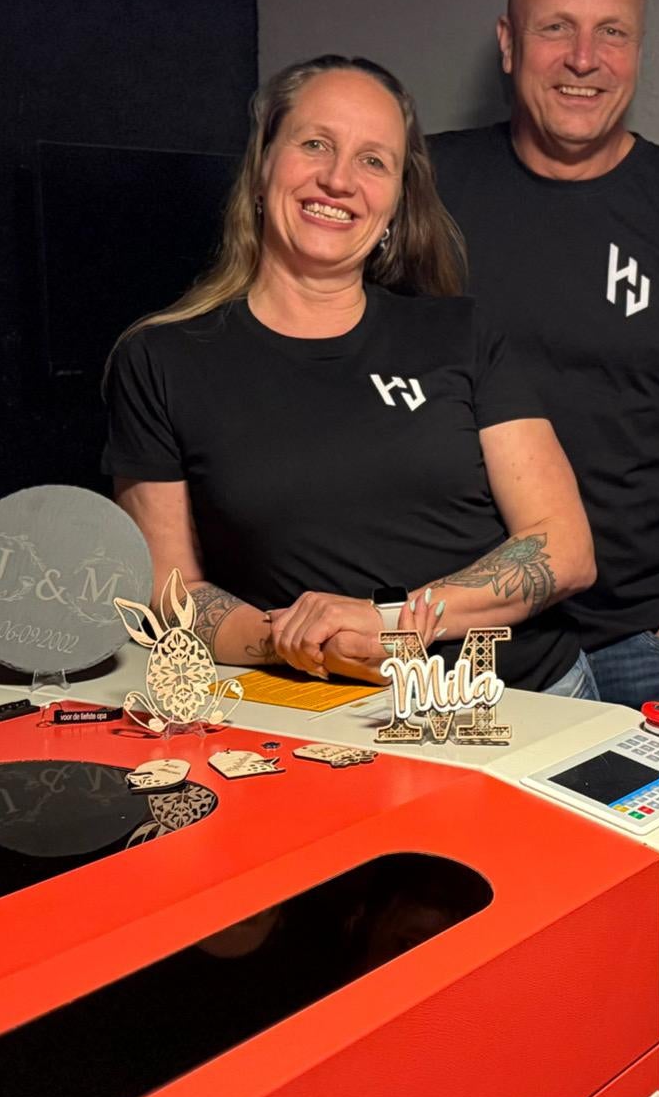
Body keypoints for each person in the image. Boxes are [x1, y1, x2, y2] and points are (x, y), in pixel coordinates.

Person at [104, 54, 594, 696]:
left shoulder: (461, 334)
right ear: (261, 168)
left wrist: (388, 622)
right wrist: (299, 643)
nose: (338, 180)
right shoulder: (160, 359)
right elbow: (172, 591)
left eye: (373, 161)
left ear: (395, 204)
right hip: (314, 714)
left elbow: (564, 548)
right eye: (315, 144)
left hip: (524, 700)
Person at [427, 0, 659, 709]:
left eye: (611, 32)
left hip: (639, 650)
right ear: (509, 44)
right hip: (454, 645)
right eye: (556, 27)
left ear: (638, 50)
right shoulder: (423, 191)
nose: (584, 59)